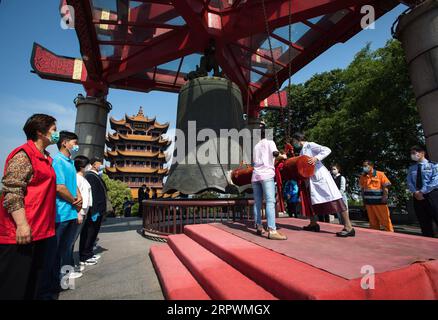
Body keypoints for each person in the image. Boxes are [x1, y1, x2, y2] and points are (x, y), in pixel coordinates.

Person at [0, 114, 58, 300]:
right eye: (54, 130)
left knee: (34, 283)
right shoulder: (23, 155)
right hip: (21, 231)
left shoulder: (46, 158)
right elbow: (12, 191)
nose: (56, 134)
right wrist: (22, 224)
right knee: (15, 286)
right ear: (40, 132)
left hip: (41, 230)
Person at [38, 131, 83, 299]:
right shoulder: (57, 160)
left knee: (66, 251)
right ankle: (48, 289)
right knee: (54, 253)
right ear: (65, 143)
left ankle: (64, 283)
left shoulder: (70, 161)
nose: (76, 145)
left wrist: (79, 196)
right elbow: (59, 187)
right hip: (61, 214)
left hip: (71, 212)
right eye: (74, 142)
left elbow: (72, 184)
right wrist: (74, 201)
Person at [291, 133, 355, 237]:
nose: (293, 144)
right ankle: (313, 223)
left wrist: (316, 158)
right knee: (311, 202)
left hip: (321, 177)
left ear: (297, 139)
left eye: (293, 141)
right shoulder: (302, 150)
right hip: (311, 179)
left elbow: (327, 149)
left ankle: (349, 227)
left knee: (336, 200)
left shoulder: (310, 145)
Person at [252, 123, 288, 240]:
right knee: (270, 202)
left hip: (255, 175)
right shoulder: (270, 142)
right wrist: (282, 156)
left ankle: (258, 226)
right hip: (266, 175)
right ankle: (272, 230)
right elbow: (275, 154)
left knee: (257, 202)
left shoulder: (256, 146)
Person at [79, 158, 107, 266]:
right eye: (100, 163)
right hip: (94, 210)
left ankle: (89, 253)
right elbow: (93, 195)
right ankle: (85, 255)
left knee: (93, 233)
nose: (102, 166)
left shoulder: (95, 176)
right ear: (95, 165)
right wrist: (94, 210)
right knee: (89, 233)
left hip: (97, 210)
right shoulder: (91, 176)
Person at [407, 145, 438, 237]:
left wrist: (422, 191)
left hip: (431, 194)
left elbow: (435, 180)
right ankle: (428, 239)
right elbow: (409, 181)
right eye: (411, 153)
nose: (412, 155)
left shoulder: (433, 165)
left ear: (422, 153)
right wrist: (415, 192)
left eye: (414, 153)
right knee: (423, 220)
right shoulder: (412, 168)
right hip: (417, 196)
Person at [359, 160, 394, 232]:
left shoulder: (380, 174)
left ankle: (390, 235)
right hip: (369, 203)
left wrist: (385, 196)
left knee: (385, 220)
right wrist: (363, 200)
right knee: (373, 222)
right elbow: (362, 189)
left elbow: (386, 186)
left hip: (380, 202)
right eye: (363, 166)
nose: (364, 167)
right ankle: (375, 236)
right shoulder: (363, 176)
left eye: (365, 166)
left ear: (371, 166)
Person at [72, 156, 92, 273]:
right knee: (71, 241)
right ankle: (68, 267)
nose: (89, 167)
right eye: (87, 164)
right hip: (79, 212)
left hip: (84, 212)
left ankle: (71, 264)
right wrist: (78, 213)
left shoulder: (83, 178)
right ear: (81, 166)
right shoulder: (76, 178)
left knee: (73, 239)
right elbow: (76, 197)